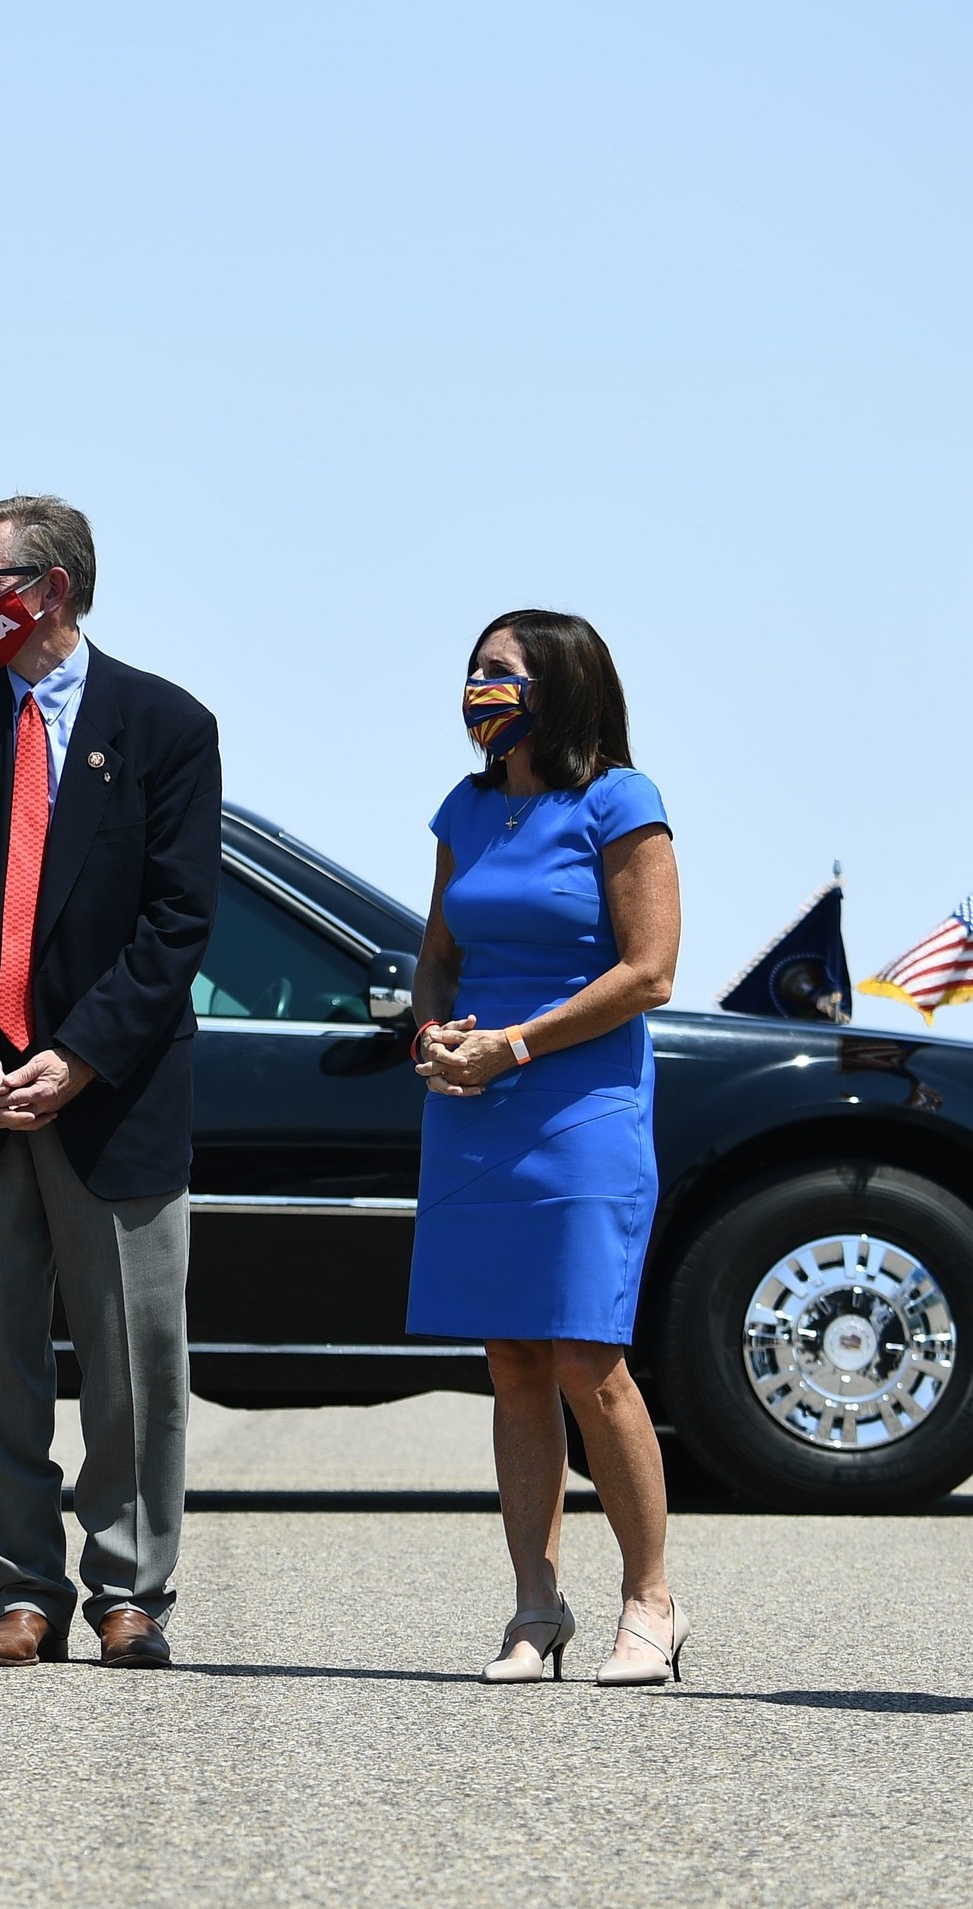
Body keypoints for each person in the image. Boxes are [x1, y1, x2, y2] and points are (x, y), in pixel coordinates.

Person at [0, 495, 220, 1671]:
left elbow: (179, 922)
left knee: (133, 1364)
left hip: (110, 1098)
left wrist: (76, 1057)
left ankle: (130, 1589)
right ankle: (20, 1589)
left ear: (53, 588)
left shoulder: (166, 724)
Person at [409, 610, 686, 1686]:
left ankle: (650, 1603)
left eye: (502, 672)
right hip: (474, 1107)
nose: (480, 686)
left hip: (580, 1105)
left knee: (586, 1356)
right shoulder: (465, 809)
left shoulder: (622, 800)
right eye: (474, 670)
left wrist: (515, 1045)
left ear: (562, 687)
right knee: (511, 1361)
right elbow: (438, 953)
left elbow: (649, 971)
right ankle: (536, 1607)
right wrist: (434, 1030)